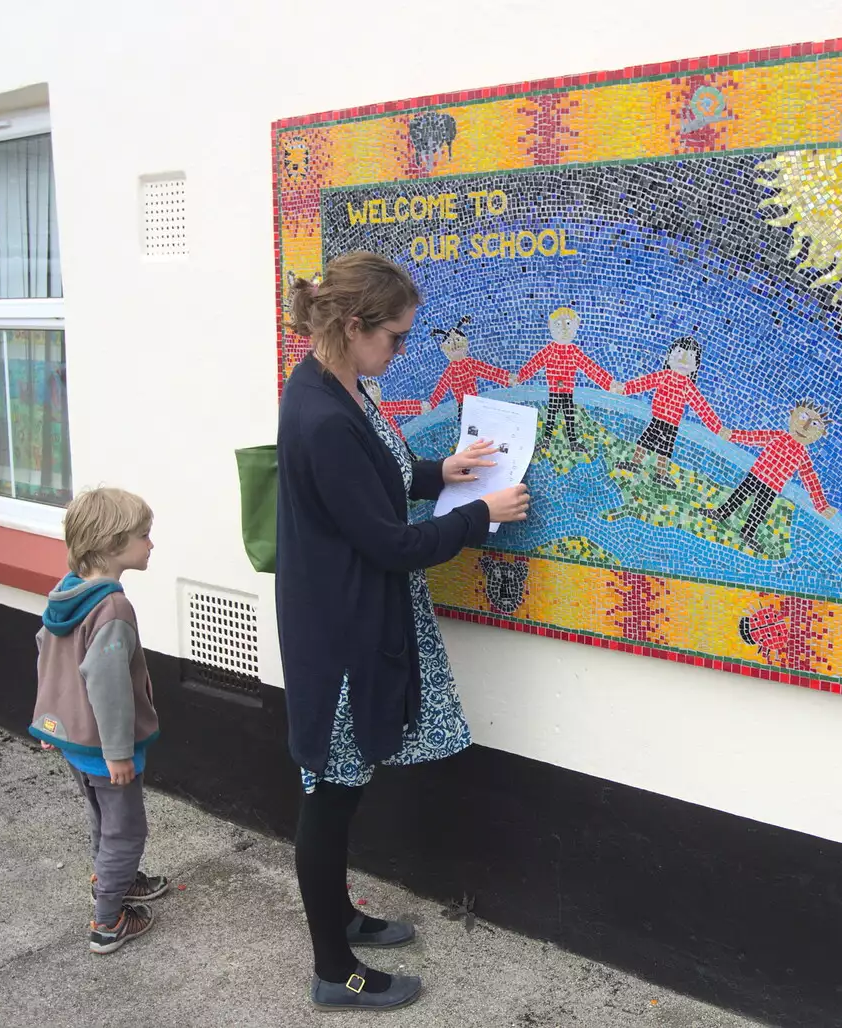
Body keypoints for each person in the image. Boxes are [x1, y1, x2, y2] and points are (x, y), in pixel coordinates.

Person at [277, 252, 531, 1011]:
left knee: (343, 789)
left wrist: (442, 471)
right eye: (396, 336)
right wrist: (479, 514)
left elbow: (374, 478)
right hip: (341, 632)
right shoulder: (321, 416)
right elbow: (387, 542)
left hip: (355, 613)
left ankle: (341, 915)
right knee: (331, 793)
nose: (402, 349)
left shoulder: (343, 385)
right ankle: (333, 967)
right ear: (353, 326)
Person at [28, 487, 168, 954]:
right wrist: (119, 754)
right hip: (105, 746)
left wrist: (51, 721)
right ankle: (108, 921)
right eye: (144, 537)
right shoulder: (112, 608)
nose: (152, 545)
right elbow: (108, 688)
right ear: (112, 547)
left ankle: (117, 879)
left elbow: (48, 654)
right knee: (126, 830)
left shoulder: (66, 592)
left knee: (101, 818)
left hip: (72, 737)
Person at [702, 401, 838, 547]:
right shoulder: (777, 436)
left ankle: (748, 532)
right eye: (803, 417)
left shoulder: (802, 455)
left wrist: (822, 506)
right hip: (756, 475)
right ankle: (720, 513)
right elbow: (753, 437)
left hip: (773, 486)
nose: (804, 427)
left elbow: (810, 479)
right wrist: (732, 435)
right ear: (793, 415)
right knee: (739, 496)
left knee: (759, 509)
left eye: (814, 425)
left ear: (818, 435)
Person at [617, 336, 727, 484]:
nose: (683, 360)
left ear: (695, 366)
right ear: (669, 357)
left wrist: (717, 427)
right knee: (644, 441)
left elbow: (701, 406)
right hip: (657, 419)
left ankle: (661, 475)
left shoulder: (687, 386)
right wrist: (625, 388)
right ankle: (635, 464)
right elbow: (644, 383)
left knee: (665, 450)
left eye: (690, 356)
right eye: (680, 352)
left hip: (672, 424)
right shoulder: (664, 376)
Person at [514, 306, 619, 453]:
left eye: (568, 324)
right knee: (551, 415)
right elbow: (534, 364)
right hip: (554, 390)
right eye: (558, 324)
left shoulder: (574, 351)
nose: (563, 328)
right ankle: (546, 441)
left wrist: (609, 383)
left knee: (569, 415)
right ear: (550, 326)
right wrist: (520, 377)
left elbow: (590, 368)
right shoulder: (549, 350)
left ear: (576, 326)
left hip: (567, 390)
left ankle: (572, 442)